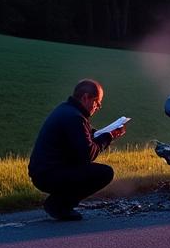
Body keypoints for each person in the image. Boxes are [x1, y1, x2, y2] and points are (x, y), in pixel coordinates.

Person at [28, 79, 126, 221]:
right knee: (104, 173)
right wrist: (108, 137)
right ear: (85, 97)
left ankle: (58, 202)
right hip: (49, 175)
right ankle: (59, 205)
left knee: (87, 170)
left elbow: (83, 139)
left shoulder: (66, 109)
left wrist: (103, 135)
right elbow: (88, 154)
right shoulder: (75, 118)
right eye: (97, 102)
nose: (98, 107)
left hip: (44, 171)